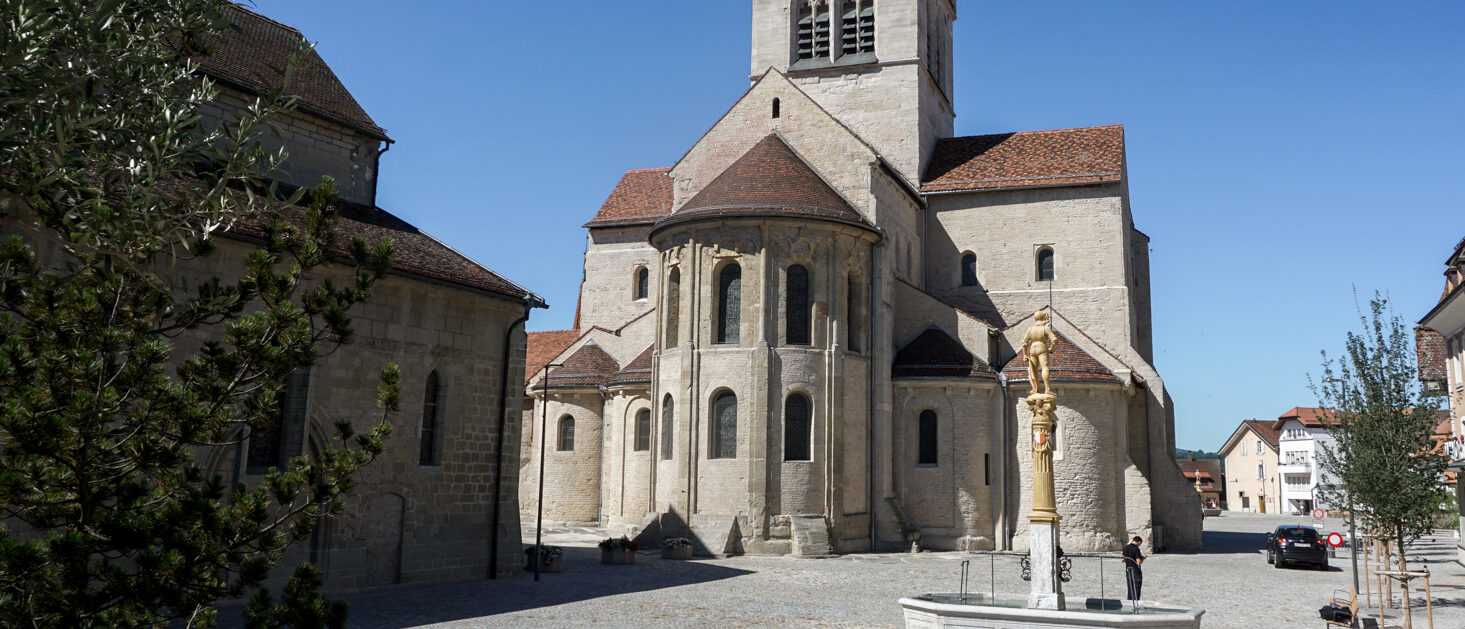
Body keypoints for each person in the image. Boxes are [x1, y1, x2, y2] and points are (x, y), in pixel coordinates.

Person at [1122, 536, 1145, 602]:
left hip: (1128, 570)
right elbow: (1138, 562)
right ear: (1139, 542)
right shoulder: (1136, 549)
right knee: (1136, 588)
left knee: (1130, 588)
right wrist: (1143, 558)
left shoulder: (1125, 548)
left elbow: (1123, 560)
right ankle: (1136, 603)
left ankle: (1129, 602)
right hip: (1135, 571)